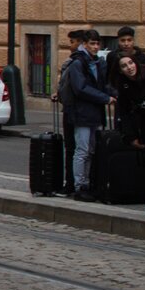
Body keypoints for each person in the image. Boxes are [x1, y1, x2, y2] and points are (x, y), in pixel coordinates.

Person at [63, 29, 115, 202]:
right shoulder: (78, 63)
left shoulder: (98, 62)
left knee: (91, 150)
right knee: (82, 150)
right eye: (92, 44)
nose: (95, 47)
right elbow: (80, 88)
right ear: (84, 44)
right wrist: (104, 98)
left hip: (95, 112)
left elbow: (103, 85)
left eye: (97, 43)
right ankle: (80, 186)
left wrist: (113, 94)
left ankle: (88, 183)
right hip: (82, 112)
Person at [114, 52, 145, 218]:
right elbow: (124, 111)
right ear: (120, 71)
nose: (129, 68)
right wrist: (130, 135)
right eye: (124, 66)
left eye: (130, 63)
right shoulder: (124, 85)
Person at [51, 29, 87, 195]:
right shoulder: (72, 61)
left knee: (75, 149)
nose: (69, 45)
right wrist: (58, 93)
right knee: (73, 148)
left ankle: (73, 184)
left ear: (80, 42)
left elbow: (77, 87)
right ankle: (71, 183)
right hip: (69, 107)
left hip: (74, 109)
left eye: (72, 42)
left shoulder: (78, 62)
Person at [105, 25, 145, 93]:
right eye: (123, 40)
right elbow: (109, 77)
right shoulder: (112, 56)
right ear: (118, 41)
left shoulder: (144, 58)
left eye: (129, 40)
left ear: (133, 41)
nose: (126, 44)